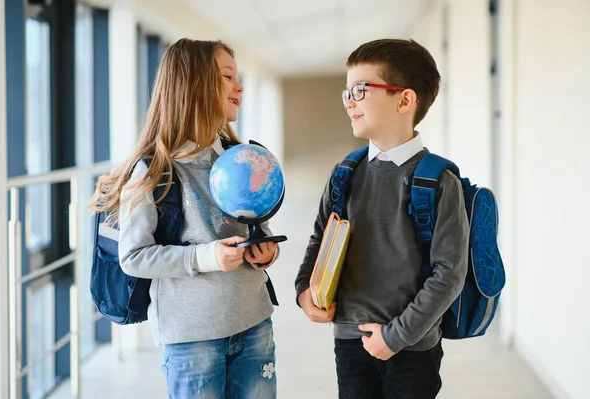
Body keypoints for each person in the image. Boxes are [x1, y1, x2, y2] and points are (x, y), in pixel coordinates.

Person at [90, 38, 279, 399]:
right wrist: (207, 257)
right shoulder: (150, 172)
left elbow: (260, 227)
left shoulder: (242, 158)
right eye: (226, 77)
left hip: (255, 322)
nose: (239, 86)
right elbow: (134, 257)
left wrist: (266, 251)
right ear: (193, 84)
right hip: (192, 338)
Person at [295, 38, 469, 399]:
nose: (349, 103)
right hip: (348, 337)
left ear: (404, 100)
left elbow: (449, 273)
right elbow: (319, 238)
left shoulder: (438, 182)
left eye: (360, 90)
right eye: (346, 94)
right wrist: (303, 291)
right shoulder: (345, 172)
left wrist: (396, 336)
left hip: (411, 346)